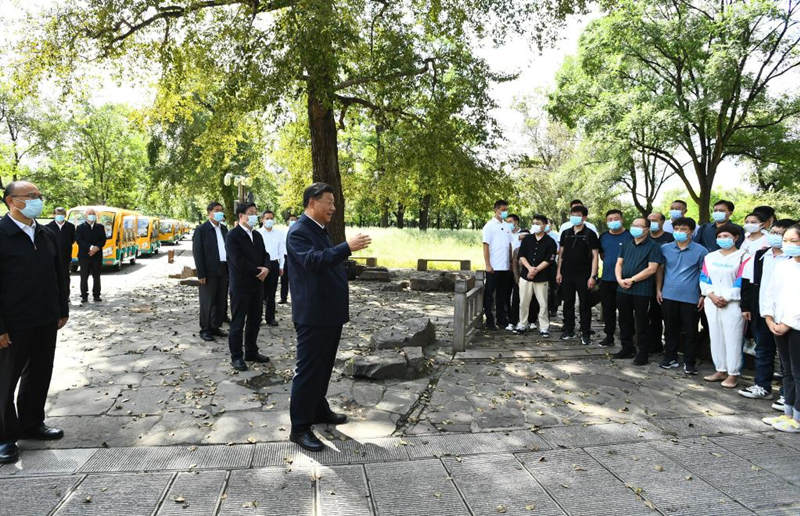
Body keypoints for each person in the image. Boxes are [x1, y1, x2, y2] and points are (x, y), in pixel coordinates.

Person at [287, 183, 371, 452]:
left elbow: (327, 262)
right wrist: (347, 247)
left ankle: (318, 408)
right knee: (308, 370)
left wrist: (346, 266)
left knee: (324, 366)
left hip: (329, 313)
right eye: (329, 202)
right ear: (312, 202)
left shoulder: (319, 230)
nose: (334, 208)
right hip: (313, 314)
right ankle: (299, 427)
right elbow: (313, 262)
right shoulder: (299, 231)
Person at [1, 181, 69, 465]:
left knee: (40, 372)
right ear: (11, 202)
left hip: (45, 318)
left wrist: (61, 308)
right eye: (31, 196)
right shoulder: (2, 234)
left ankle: (32, 423)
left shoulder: (45, 233)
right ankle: (4, 436)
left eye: (39, 196)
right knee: (5, 380)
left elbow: (59, 273)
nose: (37, 200)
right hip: (12, 323)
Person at [740, 219, 796, 401]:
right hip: (764, 310)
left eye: (782, 234)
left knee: (788, 357)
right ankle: (762, 385)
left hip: (788, 314)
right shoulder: (760, 255)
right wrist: (746, 306)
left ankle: (787, 394)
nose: (777, 237)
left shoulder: (791, 259)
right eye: (774, 232)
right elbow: (748, 281)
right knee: (763, 349)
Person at [761, 223, 800, 433]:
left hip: (795, 326)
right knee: (786, 370)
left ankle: (798, 418)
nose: (789, 245)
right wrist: (769, 318)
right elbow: (770, 293)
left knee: (798, 371)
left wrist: (787, 323)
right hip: (777, 323)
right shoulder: (783, 265)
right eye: (786, 241)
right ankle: (788, 413)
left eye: (794, 241)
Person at [699, 224, 749, 388]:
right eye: (719, 237)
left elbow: (742, 280)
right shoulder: (710, 257)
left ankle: (733, 373)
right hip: (712, 302)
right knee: (716, 336)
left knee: (732, 338)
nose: (722, 239)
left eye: (726, 236)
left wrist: (727, 297)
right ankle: (720, 369)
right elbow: (704, 278)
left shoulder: (744, 256)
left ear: (735, 237)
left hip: (733, 304)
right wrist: (711, 295)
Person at [657, 217, 708, 374]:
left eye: (683, 229)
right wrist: (659, 289)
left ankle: (689, 362)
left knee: (690, 331)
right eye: (677, 229)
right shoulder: (665, 248)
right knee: (670, 329)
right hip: (668, 295)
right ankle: (670, 357)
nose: (679, 232)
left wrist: (703, 295)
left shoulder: (701, 251)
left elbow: (704, 274)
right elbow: (660, 269)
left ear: (691, 232)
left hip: (691, 297)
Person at [225, 202, 271, 372]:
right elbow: (238, 261)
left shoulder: (257, 235)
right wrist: (258, 271)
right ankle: (236, 356)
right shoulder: (233, 236)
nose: (254, 216)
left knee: (255, 320)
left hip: (257, 285)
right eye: (250, 213)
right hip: (241, 286)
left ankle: (251, 351)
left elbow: (265, 254)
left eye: (255, 213)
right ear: (241, 216)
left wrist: (267, 267)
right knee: (238, 322)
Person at [613, 218, 664, 364]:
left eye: (639, 226)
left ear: (647, 229)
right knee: (624, 319)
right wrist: (619, 279)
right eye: (633, 225)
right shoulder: (627, 244)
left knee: (641, 322)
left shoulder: (654, 246)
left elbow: (652, 269)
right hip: (622, 288)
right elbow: (619, 263)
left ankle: (643, 352)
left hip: (642, 290)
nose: (635, 228)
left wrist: (632, 280)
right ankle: (627, 348)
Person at [557, 204, 600, 345]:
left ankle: (585, 332)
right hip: (567, 274)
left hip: (584, 275)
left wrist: (593, 276)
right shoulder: (566, 233)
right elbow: (561, 255)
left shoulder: (590, 234)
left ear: (584, 217)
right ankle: (569, 330)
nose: (575, 217)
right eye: (573, 215)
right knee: (567, 303)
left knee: (584, 305)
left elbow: (595, 256)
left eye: (578, 215)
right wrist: (559, 272)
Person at [193, 202, 229, 342]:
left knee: (220, 300)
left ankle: (215, 326)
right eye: (216, 210)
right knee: (207, 301)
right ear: (209, 212)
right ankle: (205, 329)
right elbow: (198, 252)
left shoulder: (224, 229)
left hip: (223, 268)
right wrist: (201, 273)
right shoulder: (202, 230)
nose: (220, 213)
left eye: (221, 210)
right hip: (208, 271)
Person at [516, 215, 557, 337]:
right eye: (533, 223)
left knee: (543, 303)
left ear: (544, 225)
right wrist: (529, 268)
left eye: (538, 223)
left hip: (542, 277)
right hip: (525, 276)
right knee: (523, 302)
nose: (535, 225)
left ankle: (544, 327)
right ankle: (522, 324)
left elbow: (549, 259)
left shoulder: (550, 242)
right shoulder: (527, 239)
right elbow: (521, 255)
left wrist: (536, 270)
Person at [598, 209, 632, 347]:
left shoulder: (630, 236)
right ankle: (609, 336)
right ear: (607, 222)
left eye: (616, 218)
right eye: (610, 219)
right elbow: (602, 255)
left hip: (625, 280)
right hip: (606, 279)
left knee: (625, 312)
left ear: (622, 219)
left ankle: (627, 340)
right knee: (608, 310)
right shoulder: (604, 237)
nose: (613, 221)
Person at [482, 200, 513, 331]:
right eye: (502, 209)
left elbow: (510, 245)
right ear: (495, 210)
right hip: (493, 266)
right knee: (489, 294)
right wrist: (488, 264)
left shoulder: (507, 226)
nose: (504, 212)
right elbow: (485, 245)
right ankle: (489, 320)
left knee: (503, 295)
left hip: (505, 267)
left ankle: (502, 320)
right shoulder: (489, 226)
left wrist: (511, 262)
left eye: (506, 209)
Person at [647, 212, 674, 353]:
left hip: (666, 281)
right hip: (646, 281)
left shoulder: (669, 238)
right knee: (651, 315)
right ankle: (653, 344)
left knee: (665, 315)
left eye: (655, 220)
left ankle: (669, 347)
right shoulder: (645, 237)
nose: (652, 223)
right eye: (649, 220)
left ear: (663, 222)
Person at [257, 210, 285, 326]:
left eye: (271, 218)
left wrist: (281, 266)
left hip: (274, 264)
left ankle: (270, 317)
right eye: (267, 218)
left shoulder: (279, 233)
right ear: (262, 220)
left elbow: (281, 250)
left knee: (271, 293)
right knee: (259, 293)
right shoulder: (257, 233)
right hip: (261, 264)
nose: (269, 220)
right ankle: (257, 318)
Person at [75, 207, 107, 304]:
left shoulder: (100, 227)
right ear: (86, 216)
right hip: (84, 256)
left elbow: (103, 240)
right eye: (89, 213)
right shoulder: (80, 227)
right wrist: (90, 248)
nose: (91, 215)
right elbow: (79, 240)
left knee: (96, 276)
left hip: (97, 256)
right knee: (84, 276)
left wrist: (96, 248)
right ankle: (84, 296)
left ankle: (96, 295)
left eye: (93, 213)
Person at [45, 207, 76, 290]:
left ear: (65, 215)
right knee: (54, 276)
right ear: (54, 215)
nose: (60, 216)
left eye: (62, 214)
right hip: (53, 257)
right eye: (58, 214)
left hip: (66, 257)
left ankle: (66, 296)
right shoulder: (48, 227)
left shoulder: (71, 227)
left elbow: (73, 240)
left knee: (66, 277)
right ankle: (56, 296)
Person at [507, 214, 524, 330]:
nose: (508, 224)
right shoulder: (505, 233)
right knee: (507, 293)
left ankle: (522, 319)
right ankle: (509, 318)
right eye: (506, 221)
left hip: (520, 268)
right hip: (507, 267)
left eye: (510, 221)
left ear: (516, 222)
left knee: (519, 294)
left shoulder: (524, 233)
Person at [280, 214, 298, 304]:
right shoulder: (283, 231)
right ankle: (283, 298)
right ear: (287, 221)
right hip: (285, 257)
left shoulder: (299, 231)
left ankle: (295, 298)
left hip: (295, 258)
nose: (293, 221)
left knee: (294, 279)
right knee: (284, 279)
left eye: (295, 220)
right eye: (291, 220)